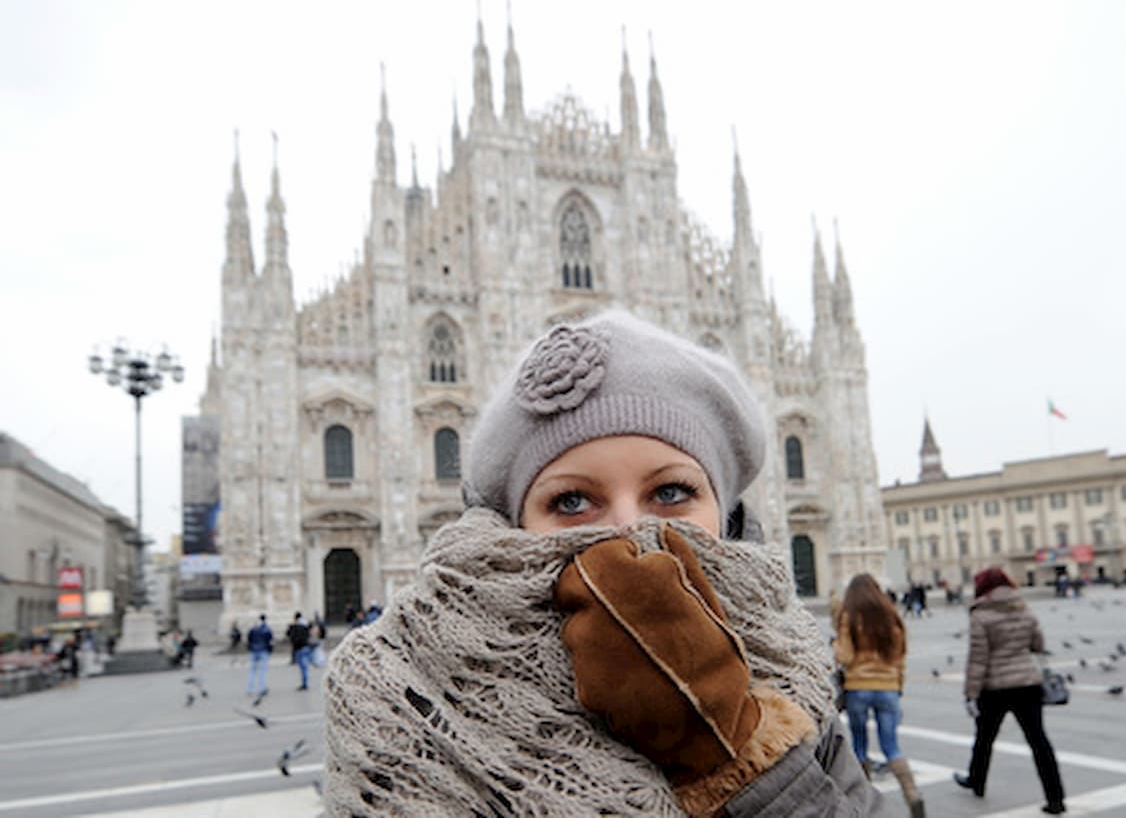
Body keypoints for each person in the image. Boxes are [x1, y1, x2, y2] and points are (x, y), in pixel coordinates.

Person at [324, 311, 890, 815]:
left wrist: (741, 758)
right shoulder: (407, 707)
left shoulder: (785, 676)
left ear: (725, 513)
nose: (627, 532)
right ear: (512, 527)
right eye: (572, 501)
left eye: (670, 492)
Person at [954, 567, 1065, 815]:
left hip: (995, 687)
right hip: (1027, 683)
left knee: (984, 738)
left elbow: (978, 658)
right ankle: (1056, 798)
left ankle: (977, 781)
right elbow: (1038, 644)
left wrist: (970, 693)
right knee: (1039, 742)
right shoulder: (1023, 607)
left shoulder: (980, 614)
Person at [834, 574, 924, 817]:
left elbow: (845, 657)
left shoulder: (849, 616)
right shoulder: (891, 617)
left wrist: (836, 643)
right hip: (888, 688)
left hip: (858, 688)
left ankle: (865, 807)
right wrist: (897, 686)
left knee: (860, 749)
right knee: (892, 747)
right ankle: (913, 796)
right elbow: (899, 658)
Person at [245, 614, 273, 698]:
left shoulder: (253, 629)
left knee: (252, 671)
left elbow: (249, 640)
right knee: (262, 671)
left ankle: (249, 689)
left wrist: (250, 648)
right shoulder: (267, 629)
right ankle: (262, 688)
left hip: (254, 651)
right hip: (263, 651)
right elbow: (270, 641)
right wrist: (270, 650)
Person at [287, 612, 314, 691]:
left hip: (298, 648)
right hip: (306, 647)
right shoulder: (305, 625)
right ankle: (305, 681)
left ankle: (304, 683)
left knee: (303, 667)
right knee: (304, 666)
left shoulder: (294, 626)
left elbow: (289, 634)